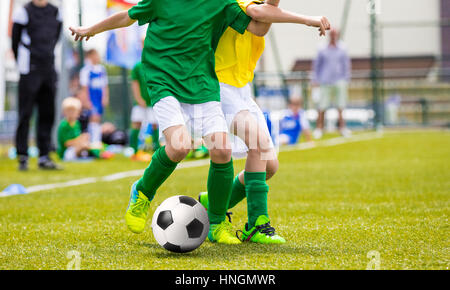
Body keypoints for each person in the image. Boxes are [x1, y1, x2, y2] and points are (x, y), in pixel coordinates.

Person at [70, 0, 274, 245]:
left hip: (201, 81)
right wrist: (91, 29)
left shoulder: (221, 2)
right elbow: (127, 16)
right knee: (179, 146)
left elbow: (258, 27)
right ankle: (143, 191)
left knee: (222, 150)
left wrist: (301, 17)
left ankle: (217, 224)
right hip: (163, 77)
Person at [198, 0, 330, 244]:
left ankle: (215, 200)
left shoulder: (258, 4)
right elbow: (258, 15)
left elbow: (263, 23)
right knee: (257, 143)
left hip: (241, 90)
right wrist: (307, 19)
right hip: (219, 86)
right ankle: (257, 224)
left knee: (270, 166)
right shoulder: (236, 2)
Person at [11, 0, 62, 171]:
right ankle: (23, 156)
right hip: (29, 68)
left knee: (47, 113)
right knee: (25, 113)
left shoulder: (55, 11)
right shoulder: (23, 11)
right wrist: (23, 63)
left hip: (48, 66)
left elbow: (57, 36)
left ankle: (44, 156)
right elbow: (15, 40)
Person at [312, 28, 351, 139]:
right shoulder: (321, 48)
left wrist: (346, 79)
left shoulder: (343, 48)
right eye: (332, 34)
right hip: (325, 81)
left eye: (335, 34)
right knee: (322, 106)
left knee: (341, 105)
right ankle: (319, 128)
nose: (333, 36)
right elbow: (317, 66)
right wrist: (315, 79)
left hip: (339, 81)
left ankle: (342, 128)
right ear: (329, 35)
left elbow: (346, 65)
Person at [130, 57, 160, 162]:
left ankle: (157, 151)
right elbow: (135, 83)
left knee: (155, 124)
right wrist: (138, 98)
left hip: (153, 101)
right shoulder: (138, 66)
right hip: (141, 102)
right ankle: (134, 151)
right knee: (136, 124)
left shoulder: (156, 63)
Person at [79, 49, 110, 148]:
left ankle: (96, 141)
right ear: (90, 56)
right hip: (92, 98)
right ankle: (93, 142)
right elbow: (84, 88)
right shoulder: (86, 70)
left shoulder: (101, 69)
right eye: (96, 55)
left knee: (97, 119)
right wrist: (86, 100)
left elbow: (105, 86)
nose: (98, 57)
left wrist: (105, 97)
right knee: (93, 119)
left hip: (99, 97)